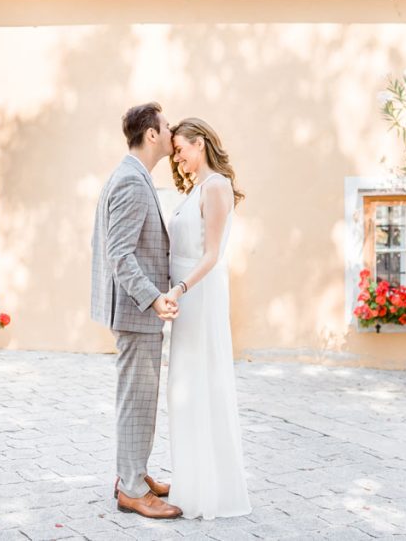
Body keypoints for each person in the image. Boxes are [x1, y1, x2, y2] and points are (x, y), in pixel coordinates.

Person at [90, 102, 183, 519]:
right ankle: (130, 488)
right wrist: (153, 296)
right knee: (137, 401)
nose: (171, 132)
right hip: (135, 311)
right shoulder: (131, 181)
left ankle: (135, 472)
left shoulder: (131, 175)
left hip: (133, 310)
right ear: (151, 135)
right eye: (166, 126)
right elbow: (120, 254)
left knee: (139, 398)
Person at [164, 117, 252, 520]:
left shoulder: (216, 187)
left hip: (198, 296)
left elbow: (212, 254)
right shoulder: (196, 187)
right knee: (185, 387)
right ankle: (190, 481)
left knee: (200, 384)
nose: (177, 158)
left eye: (181, 149)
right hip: (187, 296)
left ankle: (210, 490)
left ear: (200, 143)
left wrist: (179, 289)